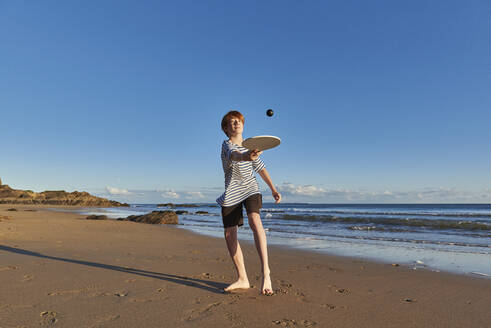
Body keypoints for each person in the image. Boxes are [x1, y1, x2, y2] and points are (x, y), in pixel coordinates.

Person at [217, 110, 282, 296]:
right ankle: (243, 278)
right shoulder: (226, 145)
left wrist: (273, 189)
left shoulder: (251, 146)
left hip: (251, 189)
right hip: (232, 192)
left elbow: (260, 169)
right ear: (225, 128)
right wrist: (247, 156)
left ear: (243, 125)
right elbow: (235, 155)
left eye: (239, 121)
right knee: (230, 234)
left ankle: (266, 273)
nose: (236, 124)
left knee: (255, 221)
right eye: (232, 122)